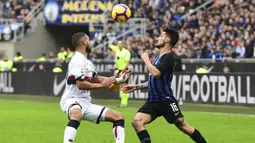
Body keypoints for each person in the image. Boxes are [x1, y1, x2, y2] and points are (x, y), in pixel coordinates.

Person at [122, 28, 207, 143]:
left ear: (167, 39)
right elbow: (153, 80)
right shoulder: (158, 59)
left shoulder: (169, 58)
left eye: (161, 36)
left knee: (183, 126)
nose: (158, 38)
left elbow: (156, 73)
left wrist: (146, 60)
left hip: (165, 100)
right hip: (153, 101)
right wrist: (136, 87)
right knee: (137, 121)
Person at [60, 32, 130, 143]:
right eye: (89, 40)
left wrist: (119, 80)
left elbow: (96, 78)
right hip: (71, 100)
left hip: (85, 103)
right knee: (76, 113)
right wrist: (102, 86)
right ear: (84, 42)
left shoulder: (88, 62)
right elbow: (80, 84)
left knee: (118, 117)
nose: (91, 43)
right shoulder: (77, 60)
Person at [109, 41, 131, 108]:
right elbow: (116, 61)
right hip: (119, 71)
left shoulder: (126, 52)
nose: (119, 45)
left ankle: (125, 103)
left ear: (123, 45)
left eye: (120, 44)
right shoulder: (117, 51)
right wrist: (116, 70)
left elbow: (127, 62)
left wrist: (123, 71)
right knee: (121, 87)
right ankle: (122, 103)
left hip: (125, 71)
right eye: (118, 44)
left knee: (124, 86)